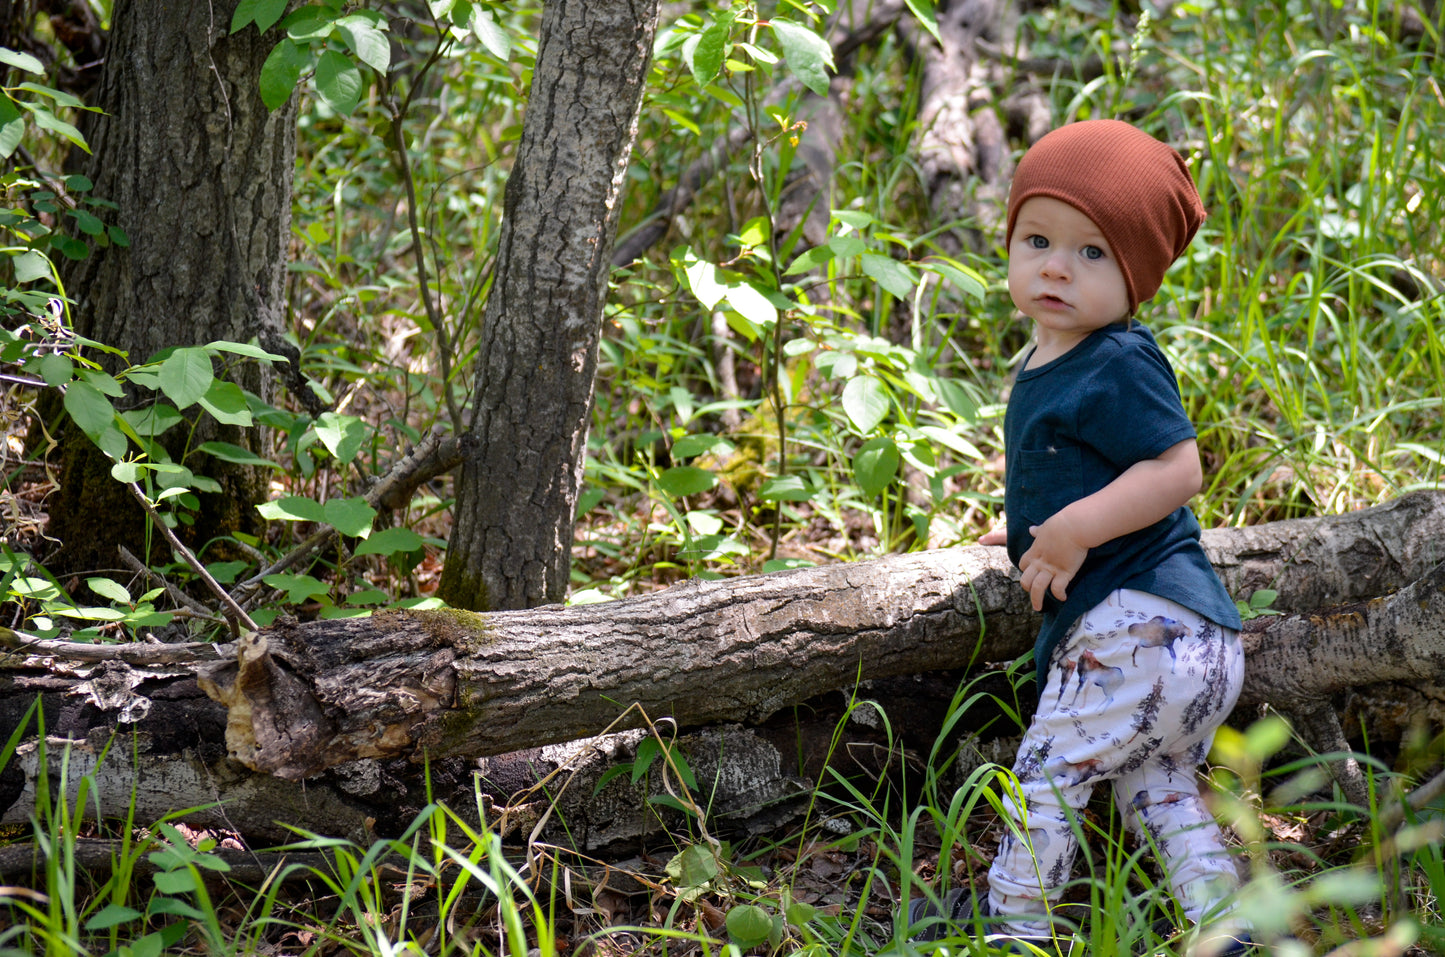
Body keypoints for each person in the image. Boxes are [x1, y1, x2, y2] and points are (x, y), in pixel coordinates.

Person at [909, 120, 1250, 955]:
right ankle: (1227, 927)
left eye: (1093, 252)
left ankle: (1012, 931)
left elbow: (1176, 470)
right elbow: (1076, 468)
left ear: (1139, 277)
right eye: (1037, 239)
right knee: (1159, 791)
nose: (1056, 265)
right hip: (1193, 647)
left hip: (1136, 627)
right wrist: (1029, 527)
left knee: (1045, 778)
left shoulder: (1118, 358)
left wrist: (1068, 530)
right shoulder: (1051, 355)